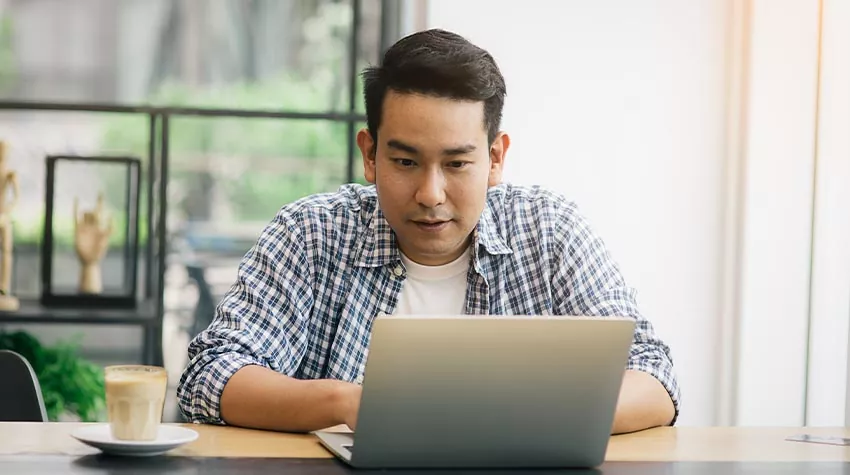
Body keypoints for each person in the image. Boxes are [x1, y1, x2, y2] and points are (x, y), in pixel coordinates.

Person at [177, 28, 680, 435]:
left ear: (496, 158)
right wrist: (353, 403)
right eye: (405, 161)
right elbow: (211, 373)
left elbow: (654, 375)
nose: (431, 193)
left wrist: (532, 417)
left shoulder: (550, 233)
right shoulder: (312, 233)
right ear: (370, 155)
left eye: (458, 163)